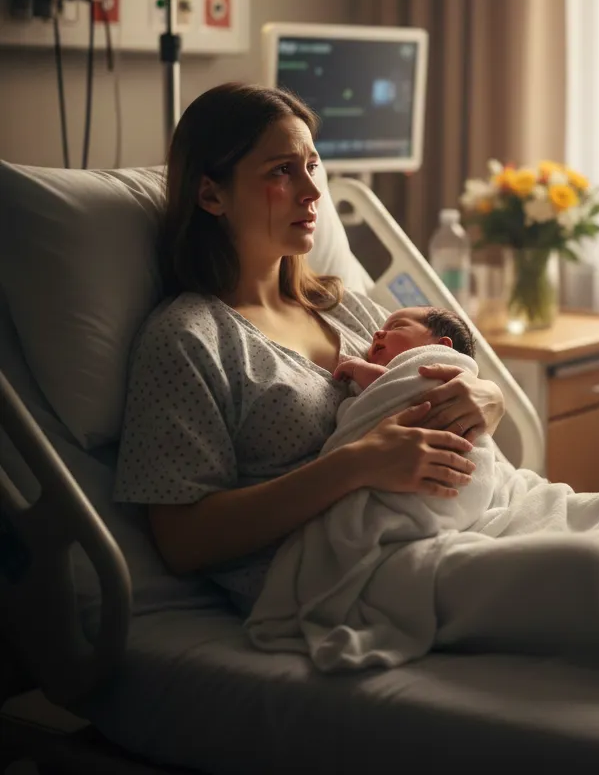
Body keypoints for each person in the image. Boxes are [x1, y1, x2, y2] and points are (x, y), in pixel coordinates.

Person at [113, 82, 505, 614]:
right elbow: (184, 542)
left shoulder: (348, 309)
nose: (312, 190)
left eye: (311, 166)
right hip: (350, 573)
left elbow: (427, 373)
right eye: (281, 171)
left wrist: (486, 396)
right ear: (211, 195)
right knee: (597, 575)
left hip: (474, 519)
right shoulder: (189, 338)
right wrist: (355, 465)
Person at [333, 306, 476, 392]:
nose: (376, 334)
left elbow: (394, 386)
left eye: (396, 326)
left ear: (440, 347)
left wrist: (357, 369)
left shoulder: (437, 380)